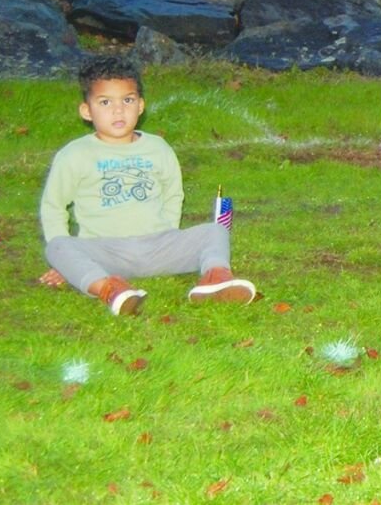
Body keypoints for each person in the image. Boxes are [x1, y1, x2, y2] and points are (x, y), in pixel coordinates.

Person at [37, 56, 257, 316]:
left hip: (159, 246)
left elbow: (173, 194)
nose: (118, 111)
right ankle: (108, 287)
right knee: (58, 246)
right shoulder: (74, 155)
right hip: (106, 252)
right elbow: (53, 207)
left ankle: (216, 278)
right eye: (105, 102)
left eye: (127, 100)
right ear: (86, 110)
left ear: (140, 106)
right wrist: (68, 265)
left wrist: (168, 233)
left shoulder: (157, 148)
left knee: (214, 231)